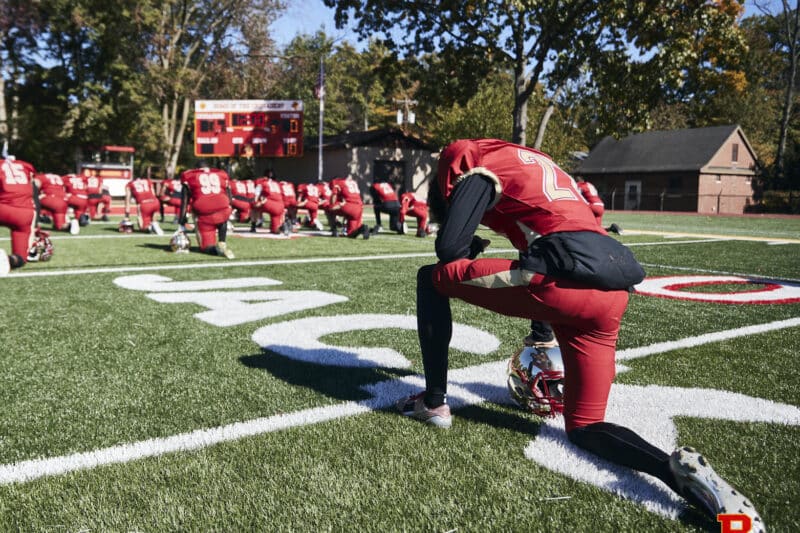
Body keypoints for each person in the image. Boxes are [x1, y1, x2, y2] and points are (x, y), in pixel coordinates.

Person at [394, 138, 764, 530]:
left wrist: (468, 243)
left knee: (429, 279)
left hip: (563, 284)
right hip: (611, 292)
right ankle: (675, 473)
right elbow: (551, 238)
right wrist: (541, 332)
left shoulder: (474, 161)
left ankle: (433, 402)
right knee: (586, 426)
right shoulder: (535, 165)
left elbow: (449, 249)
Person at [179, 165, 235, 258]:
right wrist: (229, 209)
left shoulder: (189, 175)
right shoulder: (221, 174)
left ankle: (216, 249)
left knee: (206, 247)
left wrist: (182, 218)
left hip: (204, 213)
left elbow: (185, 200)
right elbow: (229, 195)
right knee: (221, 214)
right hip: (223, 209)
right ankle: (222, 242)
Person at [0, 156, 37, 275]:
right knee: (21, 259)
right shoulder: (26, 166)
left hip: (3, 208)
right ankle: (9, 260)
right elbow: (32, 191)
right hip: (25, 214)